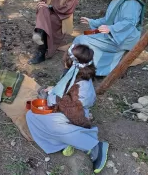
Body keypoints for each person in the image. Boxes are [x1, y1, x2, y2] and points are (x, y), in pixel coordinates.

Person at [26, 44, 109, 174]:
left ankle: (93, 146)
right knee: (33, 115)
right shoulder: (75, 73)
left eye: (65, 59)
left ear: (71, 63)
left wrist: (51, 99)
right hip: (70, 108)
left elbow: (72, 110)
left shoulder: (82, 86)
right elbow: (65, 91)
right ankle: (66, 141)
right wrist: (53, 90)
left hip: (76, 114)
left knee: (40, 119)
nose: (63, 61)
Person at [73, 0, 145, 76]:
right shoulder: (116, 1)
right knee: (83, 36)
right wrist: (92, 21)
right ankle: (85, 66)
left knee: (82, 39)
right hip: (114, 34)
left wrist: (111, 29)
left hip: (123, 38)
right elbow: (108, 20)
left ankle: (90, 69)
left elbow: (129, 23)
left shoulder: (131, 2)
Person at [28, 0, 79, 64]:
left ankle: (39, 34)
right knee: (43, 9)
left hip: (61, 18)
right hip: (47, 16)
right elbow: (42, 3)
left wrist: (51, 7)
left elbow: (68, 8)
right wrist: (40, 5)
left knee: (45, 15)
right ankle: (42, 52)